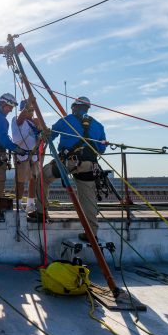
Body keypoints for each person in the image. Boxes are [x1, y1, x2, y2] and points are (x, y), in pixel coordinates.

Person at [35, 96, 106, 241]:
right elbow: (101, 149)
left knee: (43, 176)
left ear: (74, 107)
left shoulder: (66, 121)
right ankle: (91, 233)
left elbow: (49, 137)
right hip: (89, 165)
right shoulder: (98, 125)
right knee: (88, 199)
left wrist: (43, 133)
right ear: (87, 108)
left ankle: (41, 211)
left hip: (69, 163)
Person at [0, 93, 28, 200]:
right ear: (3, 104)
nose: (11, 110)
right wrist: (17, 149)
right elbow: (4, 140)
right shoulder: (1, 119)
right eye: (10, 107)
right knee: (0, 178)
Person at [11, 97, 40, 217]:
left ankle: (30, 203)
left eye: (32, 111)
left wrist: (40, 126)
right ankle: (18, 203)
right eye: (29, 110)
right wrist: (29, 103)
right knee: (20, 180)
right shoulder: (17, 119)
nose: (31, 113)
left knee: (33, 179)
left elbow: (40, 137)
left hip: (33, 154)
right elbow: (21, 118)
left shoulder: (34, 122)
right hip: (21, 154)